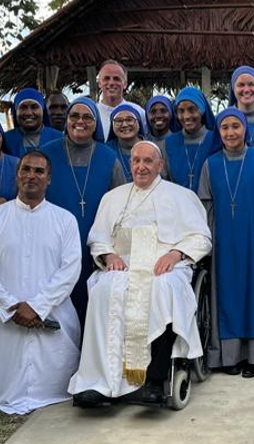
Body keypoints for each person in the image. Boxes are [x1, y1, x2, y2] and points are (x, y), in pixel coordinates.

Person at [70, 142, 212, 406]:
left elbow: (201, 238)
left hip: (164, 265)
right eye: (136, 161)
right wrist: (108, 256)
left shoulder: (180, 196)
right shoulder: (113, 198)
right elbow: (98, 237)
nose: (141, 166)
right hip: (122, 265)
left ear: (160, 166)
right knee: (103, 290)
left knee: (161, 289)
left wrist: (176, 254)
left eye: (148, 161)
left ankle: (153, 380)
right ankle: (99, 382)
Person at [0, 152, 83, 413]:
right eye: (26, 169)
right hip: (3, 317)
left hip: (50, 312)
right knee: (3, 382)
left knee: (55, 380)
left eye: (39, 171)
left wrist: (38, 306)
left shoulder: (64, 220)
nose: (31, 175)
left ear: (49, 179)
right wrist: (11, 306)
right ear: (17, 174)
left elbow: (70, 270)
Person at [198, 108, 254, 375]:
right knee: (226, 295)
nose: (230, 132)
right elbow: (205, 205)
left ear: (245, 130)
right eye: (225, 127)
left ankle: (253, 358)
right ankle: (229, 358)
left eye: (235, 126)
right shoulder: (211, 164)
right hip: (223, 240)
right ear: (218, 131)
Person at [41, 97, 125, 324]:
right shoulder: (46, 154)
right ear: (66, 121)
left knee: (94, 308)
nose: (81, 121)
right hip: (54, 241)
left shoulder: (109, 157)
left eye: (87, 116)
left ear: (96, 122)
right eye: (74, 116)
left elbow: (122, 205)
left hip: (97, 244)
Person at [162, 86, 216, 191]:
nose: (186, 116)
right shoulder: (169, 143)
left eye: (192, 110)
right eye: (181, 111)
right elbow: (165, 180)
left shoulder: (215, 139)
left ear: (202, 110)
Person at [3, 88, 61, 157]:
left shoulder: (59, 139)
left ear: (43, 110)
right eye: (23, 107)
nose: (29, 113)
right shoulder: (5, 140)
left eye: (34, 107)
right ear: (15, 111)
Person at [94, 60, 145, 136]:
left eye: (116, 79)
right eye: (106, 78)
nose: (111, 83)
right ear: (99, 83)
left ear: (125, 84)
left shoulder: (138, 112)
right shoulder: (92, 113)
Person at [107, 103, 148, 183]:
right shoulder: (106, 150)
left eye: (129, 120)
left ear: (138, 123)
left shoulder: (152, 147)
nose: (124, 125)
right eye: (119, 121)